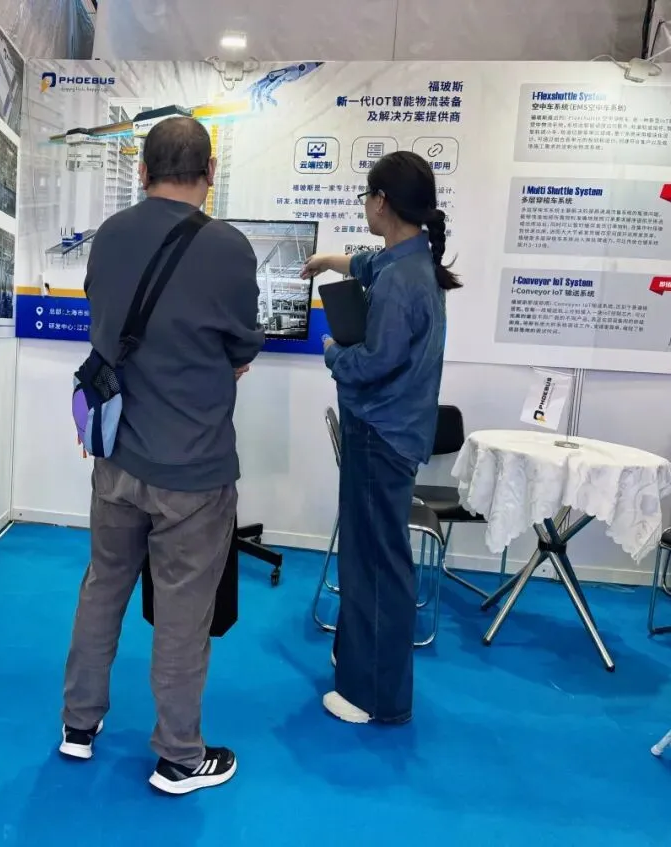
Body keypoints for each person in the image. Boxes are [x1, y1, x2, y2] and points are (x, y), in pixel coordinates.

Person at [59, 117, 264, 794]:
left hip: (116, 453)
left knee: (103, 585)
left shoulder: (111, 234)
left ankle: (78, 725)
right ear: (210, 173)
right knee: (182, 612)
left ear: (142, 172)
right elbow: (242, 346)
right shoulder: (228, 247)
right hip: (194, 467)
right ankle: (179, 755)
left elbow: (105, 319)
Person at [300, 150, 458, 725]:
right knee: (376, 555)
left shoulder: (402, 281)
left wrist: (332, 352)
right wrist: (332, 260)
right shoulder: (411, 263)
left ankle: (373, 696)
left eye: (367, 195)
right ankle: (362, 665)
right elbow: (370, 264)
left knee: (374, 562)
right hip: (394, 432)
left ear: (382, 202)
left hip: (379, 433)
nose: (365, 205)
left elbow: (374, 362)